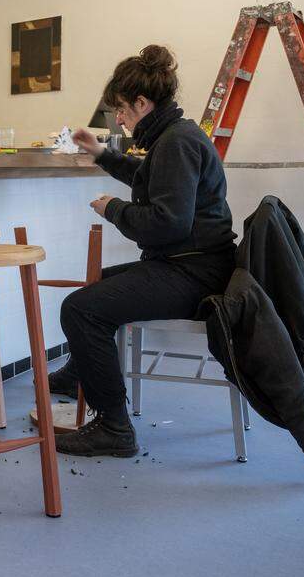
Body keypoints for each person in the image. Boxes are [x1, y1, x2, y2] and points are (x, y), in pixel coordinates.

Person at [52, 45, 237, 457]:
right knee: (97, 285)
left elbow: (168, 223)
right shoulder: (177, 136)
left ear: (141, 102)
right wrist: (102, 154)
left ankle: (115, 429)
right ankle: (79, 374)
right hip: (198, 265)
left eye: (121, 109)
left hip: (193, 273)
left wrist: (114, 209)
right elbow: (151, 177)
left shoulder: (176, 143)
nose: (118, 119)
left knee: (80, 309)